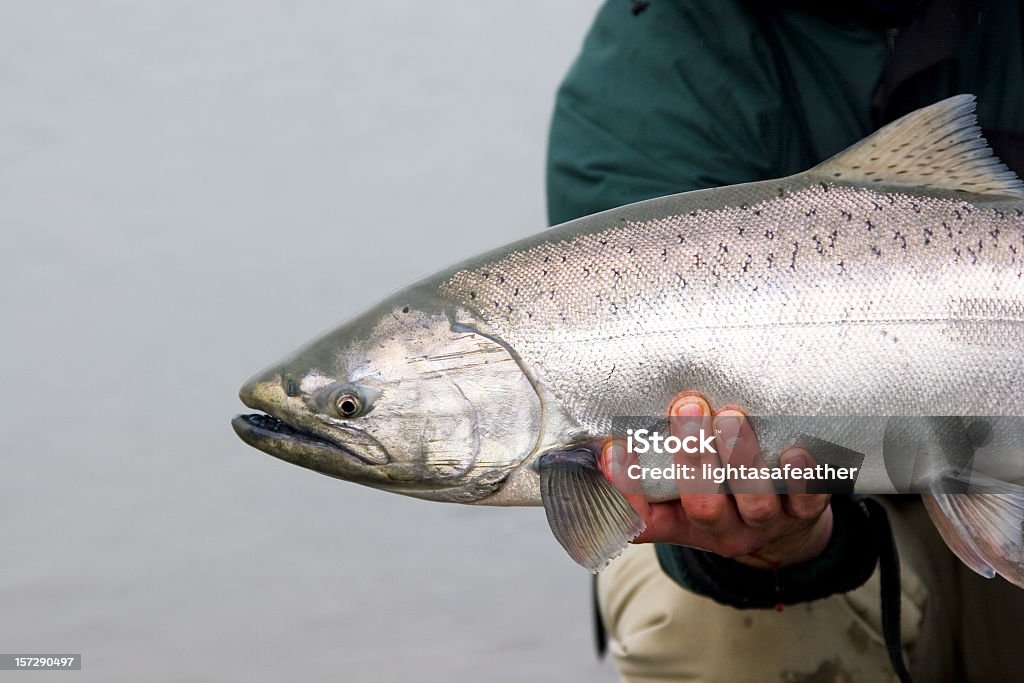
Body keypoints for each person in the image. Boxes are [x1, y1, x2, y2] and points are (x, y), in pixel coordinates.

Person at [546, 1, 1024, 681]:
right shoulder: (651, 67)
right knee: (695, 619)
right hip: (848, 530)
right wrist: (784, 543)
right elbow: (647, 459)